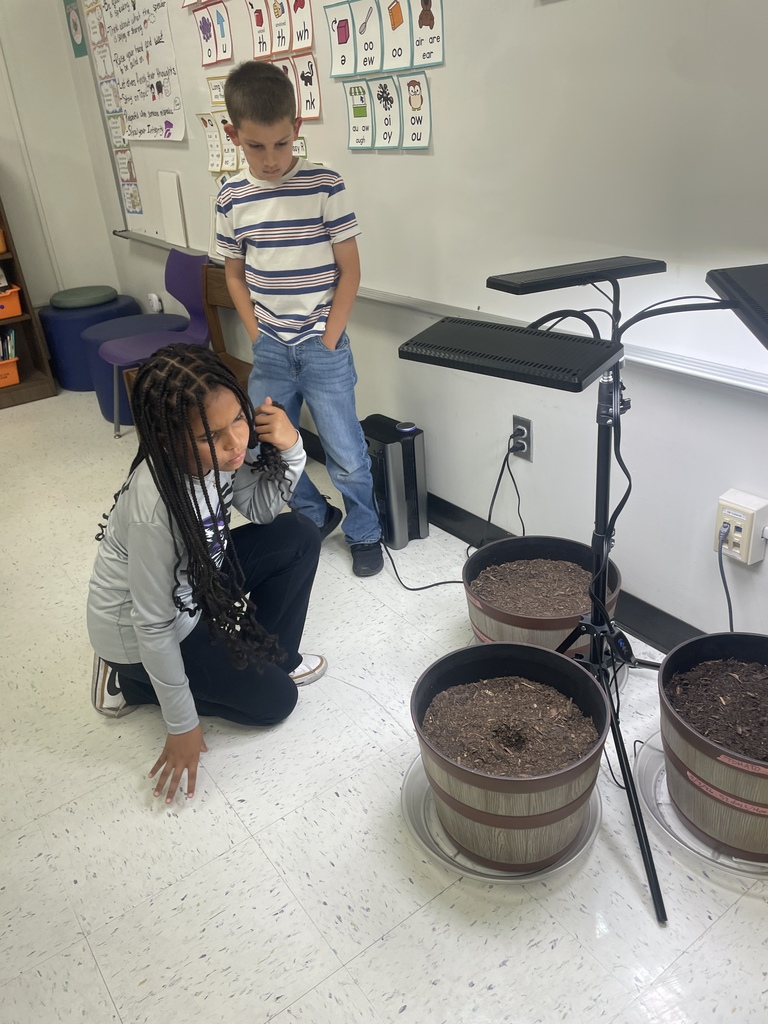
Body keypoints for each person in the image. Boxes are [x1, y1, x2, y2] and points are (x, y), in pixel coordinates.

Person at [87, 343, 325, 804]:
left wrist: (293, 447)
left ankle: (270, 657)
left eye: (240, 418)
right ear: (168, 438)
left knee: (297, 535)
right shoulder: (156, 508)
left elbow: (260, 510)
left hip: (197, 586)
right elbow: (152, 624)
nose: (237, 443)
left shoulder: (220, 455)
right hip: (142, 629)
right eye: (213, 435)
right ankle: (128, 679)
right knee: (277, 703)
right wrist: (182, 725)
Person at [215, 59, 384, 578]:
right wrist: (255, 331)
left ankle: (364, 531)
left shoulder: (324, 185)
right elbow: (235, 273)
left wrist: (329, 338)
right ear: (233, 134)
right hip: (269, 346)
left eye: (282, 144)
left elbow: (350, 271)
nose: (270, 159)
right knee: (265, 442)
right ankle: (315, 512)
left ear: (297, 129)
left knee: (346, 452)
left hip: (321, 346)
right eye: (255, 146)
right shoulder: (231, 196)